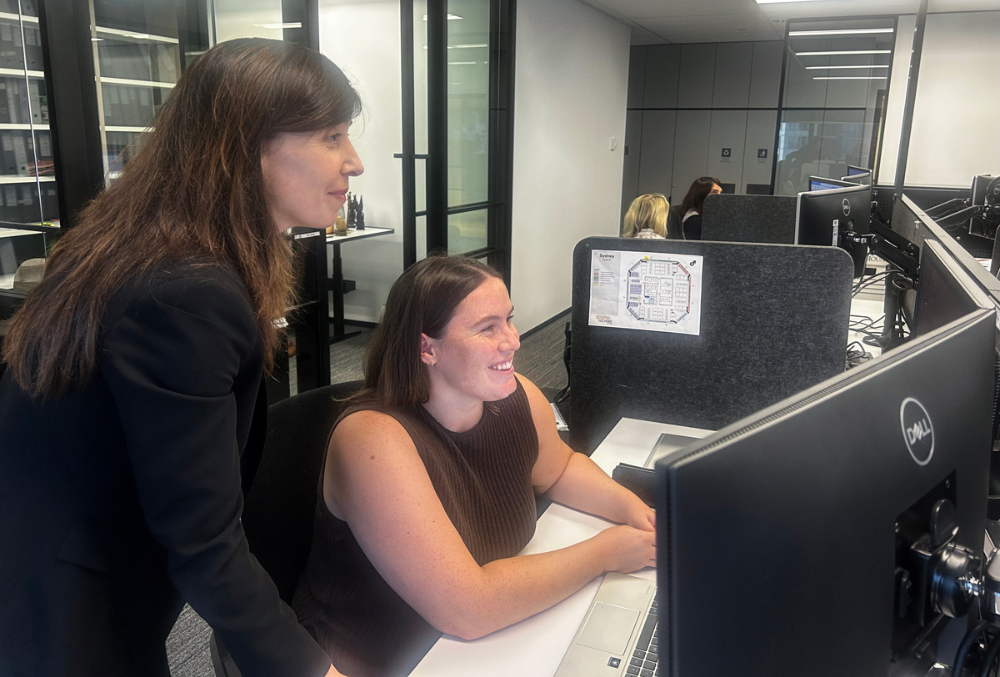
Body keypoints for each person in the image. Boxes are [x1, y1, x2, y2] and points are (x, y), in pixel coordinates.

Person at [0, 39, 360, 677]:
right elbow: (204, 541)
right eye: (330, 137)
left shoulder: (148, 243)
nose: (354, 162)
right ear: (247, 145)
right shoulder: (186, 292)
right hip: (61, 603)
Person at [292, 255, 657, 677]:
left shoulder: (516, 395)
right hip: (383, 656)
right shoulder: (373, 439)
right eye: (487, 328)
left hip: (480, 644)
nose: (513, 341)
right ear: (426, 347)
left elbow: (559, 469)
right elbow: (469, 609)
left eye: (509, 319)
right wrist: (607, 552)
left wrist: (634, 511)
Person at [678, 176, 723, 240]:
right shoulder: (694, 221)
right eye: (714, 192)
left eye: (720, 193)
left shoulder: (706, 216)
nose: (719, 197)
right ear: (701, 194)